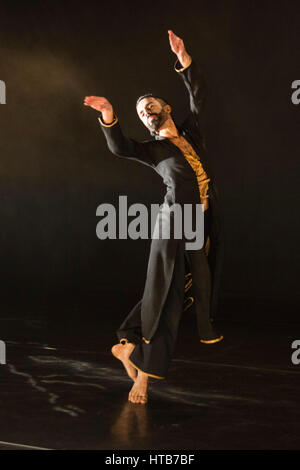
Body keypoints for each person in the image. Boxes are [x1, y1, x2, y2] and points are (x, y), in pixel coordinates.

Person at [84, 30, 224, 405]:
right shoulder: (152, 149)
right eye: (140, 112)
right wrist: (110, 117)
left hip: (197, 222)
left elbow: (200, 96)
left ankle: (128, 342)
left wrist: (184, 59)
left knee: (194, 285)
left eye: (149, 105)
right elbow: (119, 146)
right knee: (168, 294)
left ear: (166, 107)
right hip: (173, 222)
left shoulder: (191, 134)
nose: (145, 111)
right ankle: (144, 376)